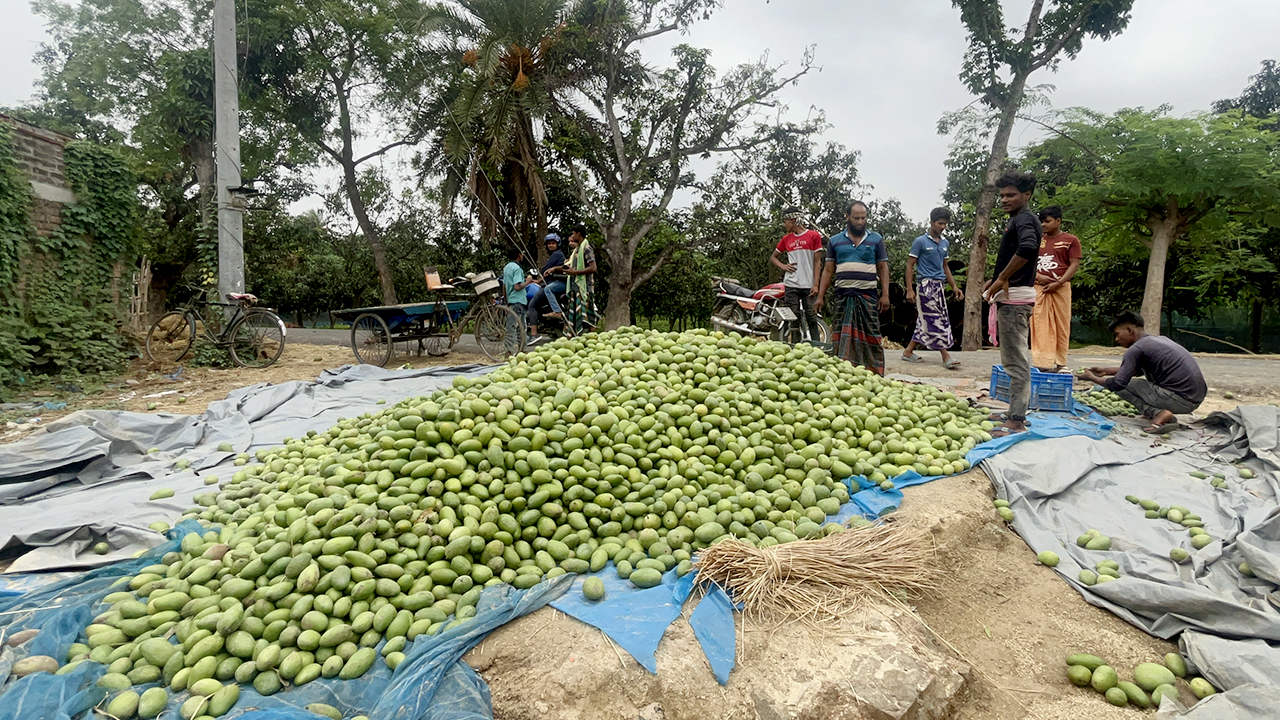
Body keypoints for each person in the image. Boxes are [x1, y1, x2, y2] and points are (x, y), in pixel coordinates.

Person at [1078, 311, 1207, 434]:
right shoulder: (1158, 341)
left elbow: (1118, 383)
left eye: (1117, 334)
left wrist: (1092, 378)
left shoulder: (1136, 349)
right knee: (1126, 382)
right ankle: (1160, 412)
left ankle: (1158, 413)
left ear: (1129, 330)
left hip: (1179, 400)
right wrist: (1105, 371)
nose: (1116, 339)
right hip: (1194, 399)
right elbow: (1136, 371)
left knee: (1119, 386)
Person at [983, 172, 1041, 437]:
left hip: (1016, 300)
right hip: (1013, 297)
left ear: (1026, 196)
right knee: (1012, 360)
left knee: (1016, 362)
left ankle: (1017, 419)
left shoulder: (1025, 219)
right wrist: (995, 278)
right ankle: (1013, 412)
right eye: (1002, 195)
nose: (1004, 199)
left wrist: (1002, 278)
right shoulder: (1017, 220)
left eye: (1011, 195)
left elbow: (1028, 248)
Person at [816, 200, 889, 375]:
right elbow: (828, 270)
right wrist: (820, 296)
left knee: (871, 336)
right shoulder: (835, 241)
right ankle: (844, 373)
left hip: (868, 296)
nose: (860, 222)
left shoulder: (876, 239)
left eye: (863, 218)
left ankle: (874, 373)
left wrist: (885, 294)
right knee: (842, 336)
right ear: (847, 217)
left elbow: (883, 268)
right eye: (856, 218)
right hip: (843, 296)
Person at [902, 207, 963, 369]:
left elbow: (945, 266)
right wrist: (909, 289)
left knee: (925, 320)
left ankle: (908, 351)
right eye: (940, 223)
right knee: (934, 319)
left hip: (939, 286)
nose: (943, 226)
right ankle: (945, 356)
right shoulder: (920, 242)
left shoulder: (944, 243)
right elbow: (910, 265)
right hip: (925, 286)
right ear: (932, 222)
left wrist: (954, 286)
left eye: (945, 224)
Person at [1031, 206, 1082, 371]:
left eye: (1047, 221)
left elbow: (1074, 264)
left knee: (1062, 324)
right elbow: (1027, 262)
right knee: (1039, 324)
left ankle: (1061, 363)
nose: (1043, 225)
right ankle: (1042, 363)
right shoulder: (1037, 239)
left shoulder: (1071, 240)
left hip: (1061, 287)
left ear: (1058, 221)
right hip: (1039, 287)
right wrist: (1038, 276)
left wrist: (1059, 282)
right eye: (1041, 222)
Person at [770, 207, 824, 343]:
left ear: (794, 220)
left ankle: (817, 346)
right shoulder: (786, 239)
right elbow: (773, 257)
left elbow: (817, 262)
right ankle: (795, 346)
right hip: (791, 284)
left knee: (811, 316)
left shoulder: (814, 236)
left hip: (808, 284)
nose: (784, 225)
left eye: (786, 221)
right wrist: (783, 266)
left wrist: (816, 284)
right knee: (794, 317)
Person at [526, 233, 568, 338]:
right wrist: (538, 281)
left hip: (553, 284)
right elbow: (547, 273)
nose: (551, 245)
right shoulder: (556, 255)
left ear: (558, 244)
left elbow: (545, 270)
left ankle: (534, 334)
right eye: (549, 244)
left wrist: (538, 277)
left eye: (553, 243)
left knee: (532, 305)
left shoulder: (557, 254)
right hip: (552, 283)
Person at [562, 225, 599, 336]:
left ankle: (593, 338)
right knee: (575, 315)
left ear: (578, 234)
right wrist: (554, 269)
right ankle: (574, 338)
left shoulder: (586, 248)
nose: (572, 236)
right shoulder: (577, 250)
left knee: (589, 314)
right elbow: (571, 266)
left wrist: (575, 272)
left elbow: (593, 267)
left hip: (585, 288)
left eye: (573, 234)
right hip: (575, 287)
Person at [501, 245, 530, 353]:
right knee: (520, 327)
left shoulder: (507, 268)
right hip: (519, 300)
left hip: (511, 300)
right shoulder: (518, 269)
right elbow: (517, 286)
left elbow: (504, 286)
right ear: (519, 256)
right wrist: (528, 281)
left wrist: (506, 301)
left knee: (510, 326)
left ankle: (509, 350)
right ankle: (522, 350)